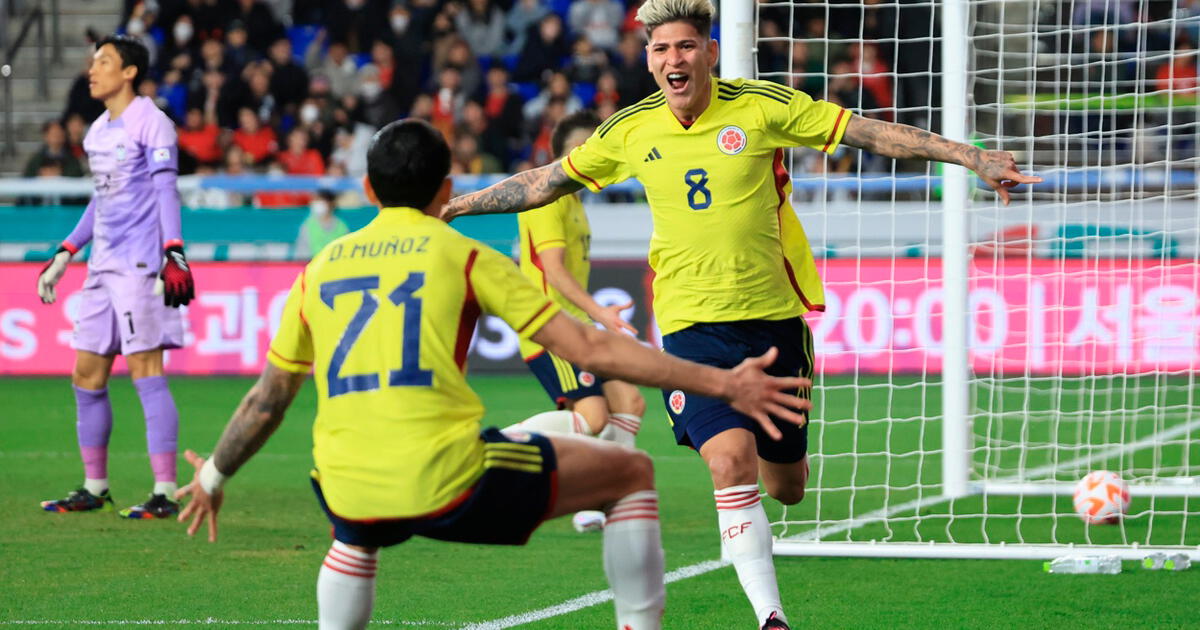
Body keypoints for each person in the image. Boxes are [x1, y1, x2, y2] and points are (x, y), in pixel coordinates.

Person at [439, 0, 1043, 627]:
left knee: (786, 487)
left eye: (685, 47)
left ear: (709, 51)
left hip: (773, 321)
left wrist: (970, 156)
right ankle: (771, 616)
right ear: (648, 60)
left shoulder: (762, 107)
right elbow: (545, 182)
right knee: (728, 461)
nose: (673, 60)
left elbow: (866, 131)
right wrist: (457, 206)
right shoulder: (629, 129)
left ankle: (759, 485)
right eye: (660, 50)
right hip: (689, 328)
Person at [174, 119, 813, 630]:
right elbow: (590, 351)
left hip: (344, 484)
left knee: (355, 535)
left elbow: (268, 398)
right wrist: (722, 384)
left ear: (368, 191)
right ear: (446, 190)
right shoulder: (464, 255)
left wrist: (212, 475)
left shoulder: (319, 269)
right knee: (632, 473)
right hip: (445, 477)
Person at [36, 34, 195, 520]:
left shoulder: (153, 124)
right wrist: (67, 250)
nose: (93, 69)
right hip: (101, 267)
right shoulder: (98, 131)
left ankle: (165, 490)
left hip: (142, 266)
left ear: (129, 72)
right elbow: (102, 200)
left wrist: (174, 252)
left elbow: (167, 193)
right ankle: (95, 485)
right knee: (86, 374)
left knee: (146, 371)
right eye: (93, 61)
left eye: (103, 61)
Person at [507, 110, 647, 532]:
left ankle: (602, 498)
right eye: (577, 150)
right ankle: (496, 444)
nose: (585, 157)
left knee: (630, 403)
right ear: (560, 155)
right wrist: (599, 311)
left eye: (592, 149)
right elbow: (554, 271)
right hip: (552, 330)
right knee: (593, 418)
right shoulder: (545, 195)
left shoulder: (575, 200)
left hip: (574, 328)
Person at [294, 190, 350, 260]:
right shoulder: (308, 225)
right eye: (315, 200)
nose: (317, 204)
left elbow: (346, 251)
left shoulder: (341, 226)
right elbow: (301, 252)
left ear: (331, 203)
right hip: (312, 266)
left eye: (320, 200)